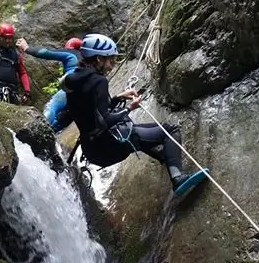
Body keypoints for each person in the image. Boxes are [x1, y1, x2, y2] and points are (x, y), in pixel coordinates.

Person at [62, 33, 204, 194]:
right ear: (99, 59)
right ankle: (177, 179)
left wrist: (119, 97)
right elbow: (104, 121)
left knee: (134, 130)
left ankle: (166, 156)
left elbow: (92, 111)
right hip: (107, 146)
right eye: (110, 60)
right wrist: (130, 108)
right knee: (170, 131)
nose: (112, 66)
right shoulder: (99, 81)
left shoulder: (74, 80)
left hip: (92, 148)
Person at [17, 37, 81, 132]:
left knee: (52, 106)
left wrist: (26, 48)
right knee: (63, 118)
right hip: (85, 94)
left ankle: (39, 131)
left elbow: (46, 53)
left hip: (73, 87)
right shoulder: (89, 60)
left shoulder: (71, 53)